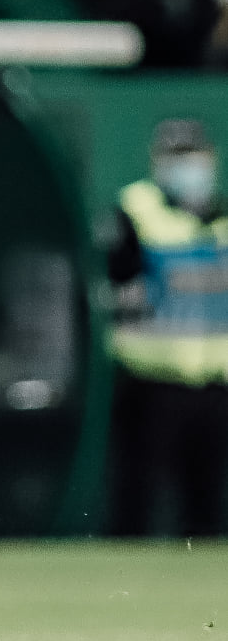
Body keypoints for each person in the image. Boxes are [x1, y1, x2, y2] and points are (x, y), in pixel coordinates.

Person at [106, 120, 228, 537]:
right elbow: (116, 284)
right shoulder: (136, 213)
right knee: (137, 499)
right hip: (151, 381)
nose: (188, 167)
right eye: (177, 157)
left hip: (216, 384)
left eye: (194, 156)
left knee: (208, 507)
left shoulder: (221, 219)